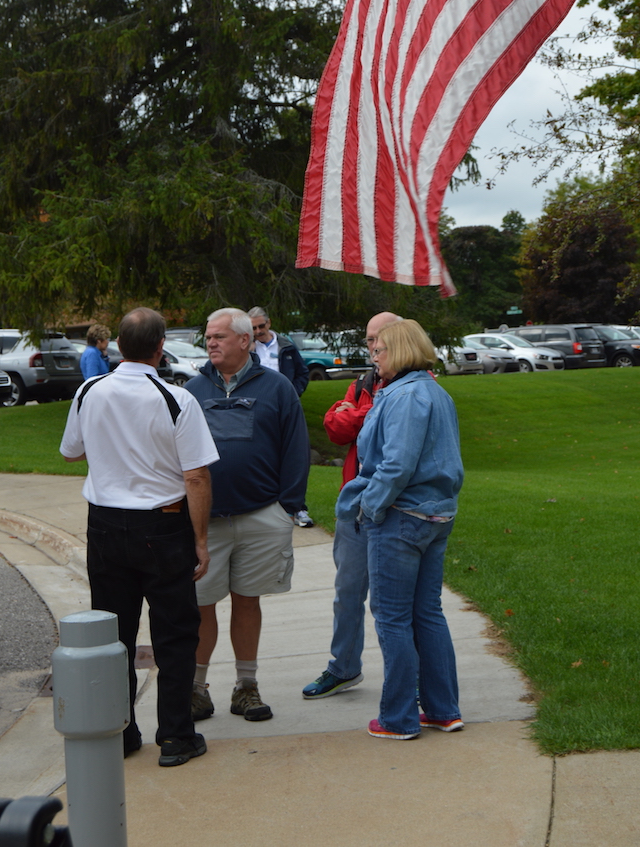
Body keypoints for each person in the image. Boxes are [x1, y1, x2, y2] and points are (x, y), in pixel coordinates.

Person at [59, 306, 218, 768]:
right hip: (163, 525)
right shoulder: (176, 399)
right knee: (174, 633)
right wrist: (201, 540)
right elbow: (197, 476)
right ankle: (175, 736)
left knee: (116, 634)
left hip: (106, 525)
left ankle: (121, 731)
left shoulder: (90, 390)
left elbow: (71, 452)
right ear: (160, 346)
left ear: (118, 346)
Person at [336, 319, 464, 741]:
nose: (374, 357)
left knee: (392, 618)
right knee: (426, 613)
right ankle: (443, 710)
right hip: (435, 515)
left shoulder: (406, 396)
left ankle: (399, 718)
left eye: (380, 350)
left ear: (401, 350)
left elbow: (396, 464)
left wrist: (370, 507)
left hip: (401, 516)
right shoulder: (435, 392)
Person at [185, 308, 310, 723]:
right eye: (208, 338)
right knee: (202, 605)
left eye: (219, 336)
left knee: (248, 601)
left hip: (262, 516)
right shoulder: (192, 391)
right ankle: (197, 689)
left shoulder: (277, 388)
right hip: (207, 524)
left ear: (245, 341)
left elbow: (295, 449)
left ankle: (247, 686)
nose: (211, 343)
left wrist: (287, 507)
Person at [302, 312, 401, 699]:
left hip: (395, 509)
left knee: (392, 603)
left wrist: (356, 413)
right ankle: (343, 667)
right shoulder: (363, 383)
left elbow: (387, 432)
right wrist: (354, 413)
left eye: (381, 338)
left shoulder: (414, 384)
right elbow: (335, 428)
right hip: (355, 507)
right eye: (369, 339)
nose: (374, 346)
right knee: (347, 593)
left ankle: (406, 679)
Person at [248, 305, 313, 528]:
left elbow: (303, 373)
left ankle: (298, 507)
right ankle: (264, 505)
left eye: (261, 326)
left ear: (269, 323)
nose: (257, 331)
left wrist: (294, 393)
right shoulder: (248, 348)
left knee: (293, 456)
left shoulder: (286, 345)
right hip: (257, 408)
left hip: (285, 405)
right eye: (253, 327)